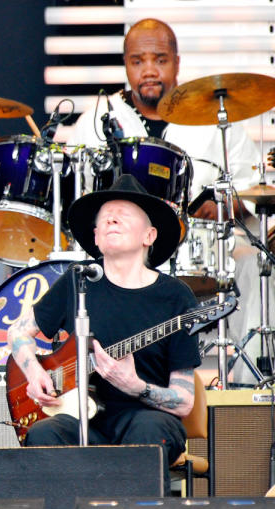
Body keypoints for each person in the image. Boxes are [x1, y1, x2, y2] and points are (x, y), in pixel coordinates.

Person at [68, 18, 267, 386]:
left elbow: (252, 188)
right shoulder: (97, 120)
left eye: (159, 59)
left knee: (255, 262)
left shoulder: (213, 116)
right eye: (137, 60)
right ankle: (88, 381)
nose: (148, 71)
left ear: (177, 62)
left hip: (200, 251)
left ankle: (245, 384)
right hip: (117, 256)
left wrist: (228, 204)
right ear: (126, 64)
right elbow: (75, 194)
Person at [7, 174, 200, 495]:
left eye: (124, 213)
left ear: (149, 235)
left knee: (148, 432)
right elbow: (18, 332)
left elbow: (184, 403)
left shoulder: (176, 297)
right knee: (43, 434)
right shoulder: (78, 282)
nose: (111, 217)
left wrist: (135, 386)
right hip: (81, 417)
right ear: (95, 238)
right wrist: (34, 372)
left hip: (146, 417)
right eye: (105, 216)